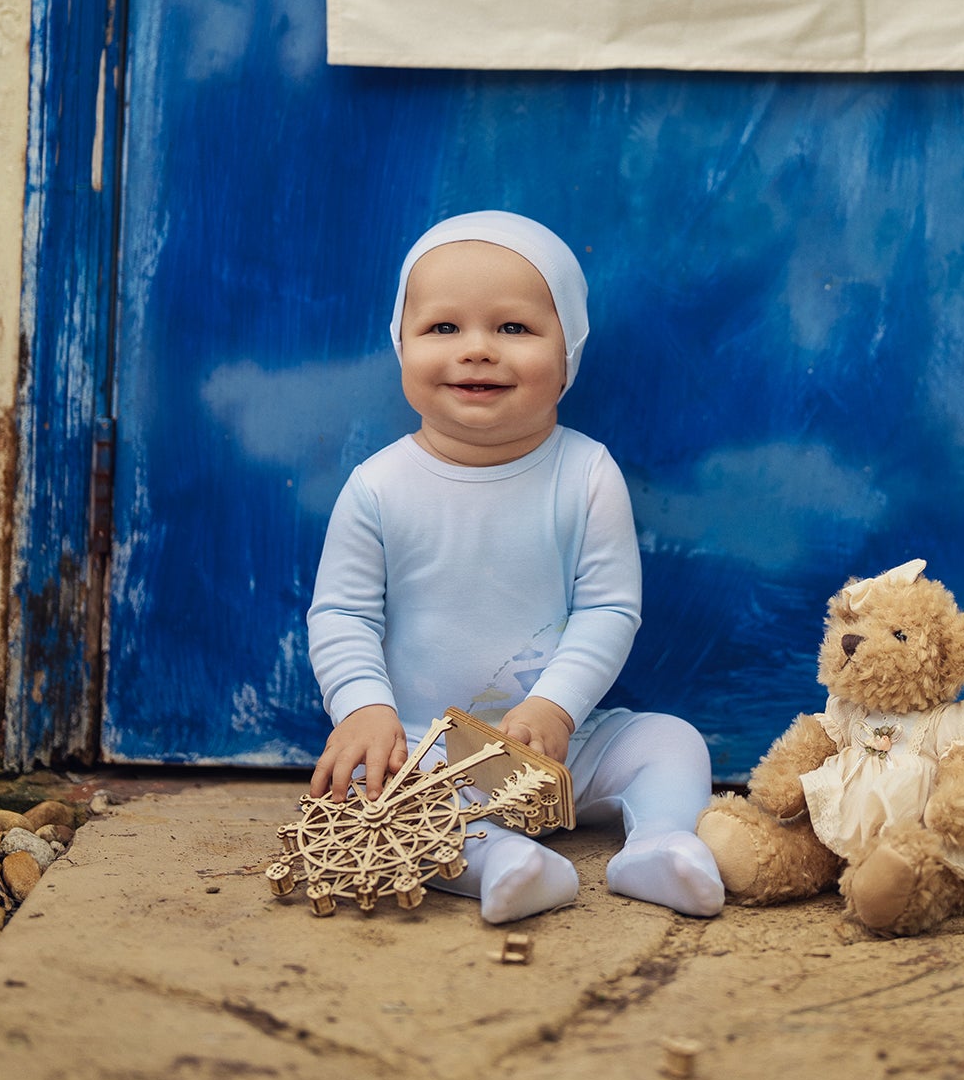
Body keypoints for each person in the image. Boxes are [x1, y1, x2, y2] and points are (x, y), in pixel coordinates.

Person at [306, 209, 724, 925]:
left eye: (514, 329)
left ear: (569, 354)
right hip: (423, 747)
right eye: (443, 328)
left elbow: (608, 610)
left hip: (563, 742)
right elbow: (342, 615)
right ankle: (505, 864)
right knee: (368, 796)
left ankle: (658, 846)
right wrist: (363, 712)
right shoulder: (378, 486)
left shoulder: (586, 473)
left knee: (670, 741)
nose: (477, 351)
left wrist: (556, 705)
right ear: (399, 345)